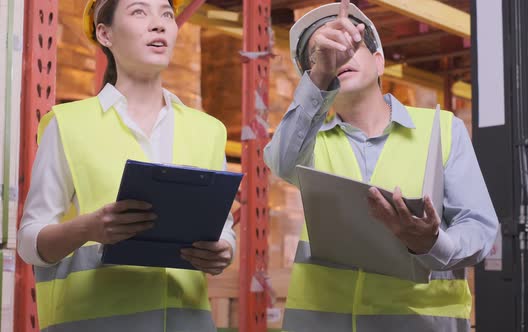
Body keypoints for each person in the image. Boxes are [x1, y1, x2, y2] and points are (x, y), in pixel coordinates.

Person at [264, 1, 499, 331]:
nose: (339, 54)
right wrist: (320, 74)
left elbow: (480, 229)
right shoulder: (309, 144)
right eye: (320, 53)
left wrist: (431, 244)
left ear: (379, 61)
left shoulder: (443, 130)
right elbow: (281, 162)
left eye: (351, 43)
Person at [16, 0, 234, 330]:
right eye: (138, 11)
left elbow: (224, 229)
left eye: (166, 14)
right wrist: (88, 229)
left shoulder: (209, 131)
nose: (158, 24)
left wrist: (224, 251)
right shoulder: (68, 124)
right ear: (105, 34)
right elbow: (30, 242)